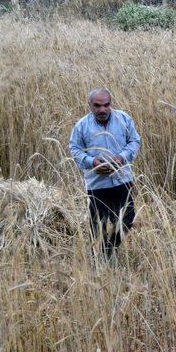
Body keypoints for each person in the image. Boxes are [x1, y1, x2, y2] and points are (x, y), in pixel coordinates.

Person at [69, 88, 141, 257]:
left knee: (127, 220)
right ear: (90, 106)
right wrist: (93, 162)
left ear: (111, 104)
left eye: (106, 105)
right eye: (97, 106)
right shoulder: (81, 126)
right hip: (97, 184)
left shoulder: (124, 119)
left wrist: (121, 158)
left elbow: (134, 141)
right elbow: (74, 149)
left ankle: (106, 251)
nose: (102, 109)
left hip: (122, 179)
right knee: (98, 225)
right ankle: (99, 261)